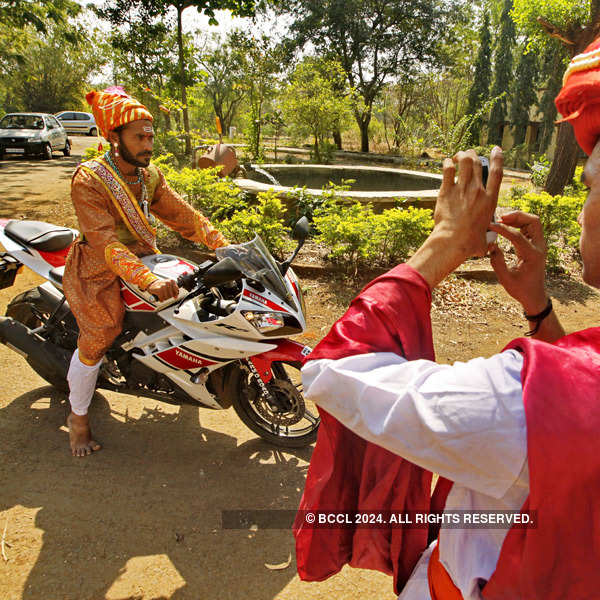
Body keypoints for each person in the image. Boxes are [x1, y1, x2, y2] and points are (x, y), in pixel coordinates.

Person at [294, 39, 600, 599]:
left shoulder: (511, 402)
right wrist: (540, 309)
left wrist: (442, 244)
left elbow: (334, 371)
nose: (584, 207)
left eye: (589, 186)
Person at [63, 86, 229, 457]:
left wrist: (222, 243)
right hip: (97, 269)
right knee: (101, 331)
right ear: (113, 137)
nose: (147, 143)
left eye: (150, 135)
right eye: (139, 136)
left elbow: (181, 215)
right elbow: (106, 243)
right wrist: (149, 279)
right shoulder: (89, 180)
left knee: (188, 299)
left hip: (142, 260)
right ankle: (78, 419)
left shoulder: (148, 175)